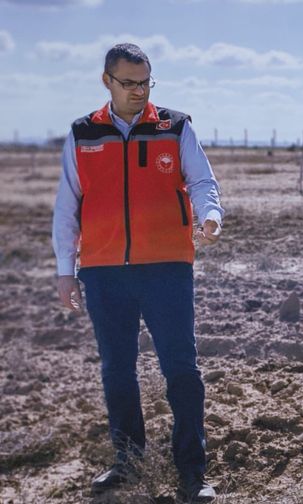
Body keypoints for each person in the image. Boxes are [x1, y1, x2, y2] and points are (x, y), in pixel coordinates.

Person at [52, 43, 223, 503]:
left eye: (145, 82)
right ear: (106, 81)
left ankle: (192, 472)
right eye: (128, 83)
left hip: (167, 269)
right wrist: (66, 270)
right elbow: (67, 205)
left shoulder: (175, 126)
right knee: (117, 371)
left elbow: (202, 181)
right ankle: (127, 463)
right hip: (103, 272)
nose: (139, 91)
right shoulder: (83, 133)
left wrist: (211, 216)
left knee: (182, 369)